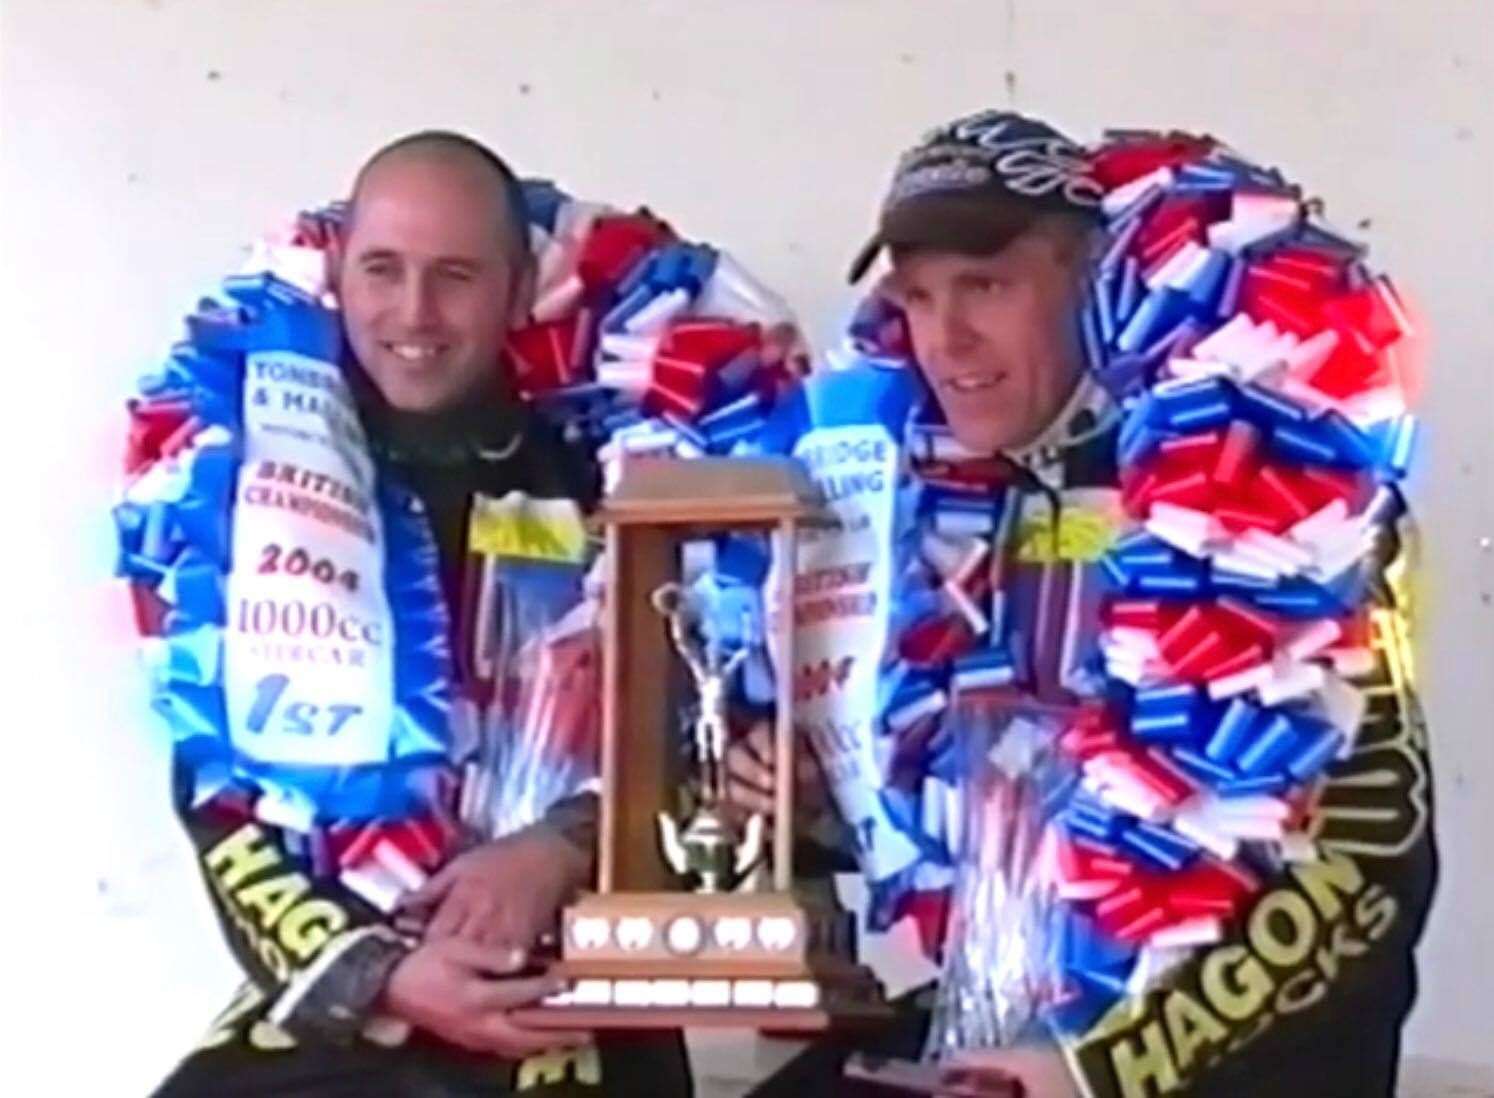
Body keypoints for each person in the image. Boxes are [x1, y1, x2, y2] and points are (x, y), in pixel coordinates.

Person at [730, 110, 1437, 1098]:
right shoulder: (924, 501)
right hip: (989, 1027)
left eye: (987, 285)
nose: (949, 338)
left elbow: (1368, 852)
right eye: (921, 296)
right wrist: (810, 805)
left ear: (1092, 281)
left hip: (1224, 1045)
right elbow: (950, 812)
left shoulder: (1267, 490)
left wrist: (1096, 1066)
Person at [152, 132, 691, 1097]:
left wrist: (563, 843)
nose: (415, 314)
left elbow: (721, 741)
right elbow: (216, 795)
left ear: (521, 287)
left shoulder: (627, 479)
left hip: (575, 993)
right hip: (344, 1002)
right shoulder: (261, 486)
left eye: (456, 275)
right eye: (383, 270)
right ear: (338, 273)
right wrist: (381, 976)